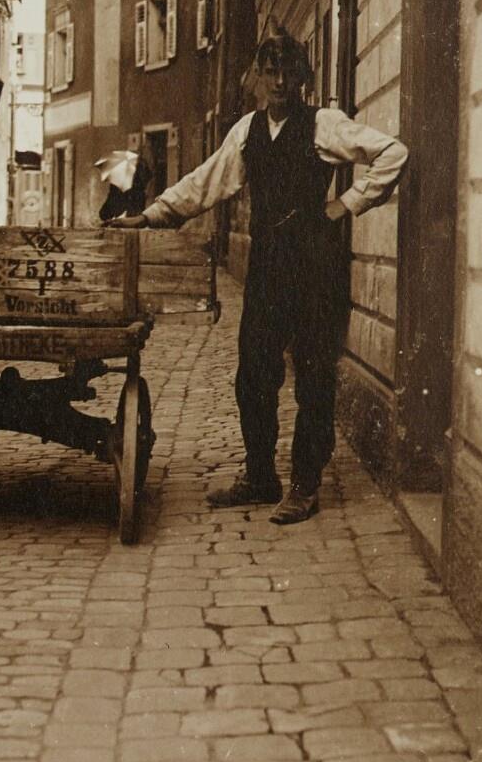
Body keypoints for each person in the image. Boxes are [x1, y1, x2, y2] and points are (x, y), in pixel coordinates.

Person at [106, 30, 408, 524]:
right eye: (271, 72)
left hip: (314, 265)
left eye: (289, 72)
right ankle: (261, 477)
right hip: (268, 266)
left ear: (302, 77)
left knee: (313, 375)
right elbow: (206, 181)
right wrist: (152, 215)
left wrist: (346, 204)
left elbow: (392, 152)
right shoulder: (247, 130)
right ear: (261, 78)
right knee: (254, 374)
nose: (281, 82)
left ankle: (305, 486)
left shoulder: (323, 124)